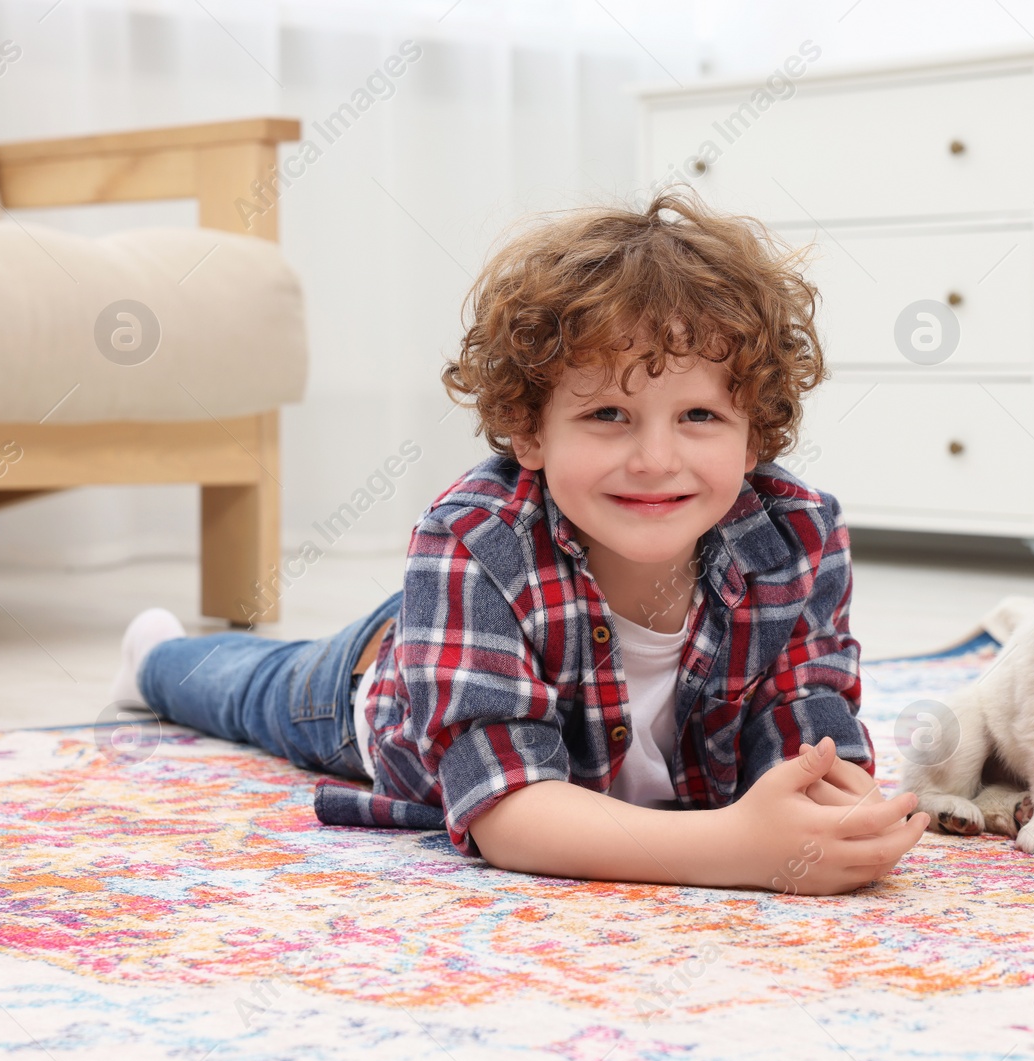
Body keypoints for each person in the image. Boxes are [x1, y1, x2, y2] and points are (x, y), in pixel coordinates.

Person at [110, 191, 928, 895]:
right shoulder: (472, 534)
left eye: (700, 416)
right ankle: (152, 659)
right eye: (607, 414)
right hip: (382, 683)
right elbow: (510, 816)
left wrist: (841, 816)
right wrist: (737, 849)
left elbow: (809, 727)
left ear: (755, 437)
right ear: (527, 430)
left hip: (497, 623)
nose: (654, 458)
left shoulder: (797, 534)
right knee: (253, 688)